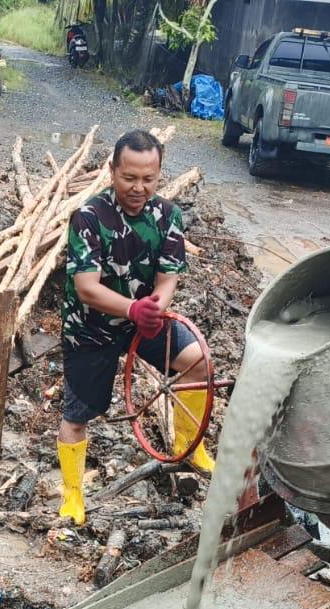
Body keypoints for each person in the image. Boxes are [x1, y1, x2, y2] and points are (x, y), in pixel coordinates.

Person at [57, 129, 215, 526]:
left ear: (159, 174)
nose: (138, 188)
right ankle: (72, 496)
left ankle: (188, 445)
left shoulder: (167, 216)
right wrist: (133, 309)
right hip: (91, 328)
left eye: (148, 178)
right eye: (129, 177)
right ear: (112, 170)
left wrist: (155, 308)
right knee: (77, 414)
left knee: (197, 361)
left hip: (143, 319)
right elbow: (86, 287)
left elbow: (168, 278)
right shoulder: (89, 217)